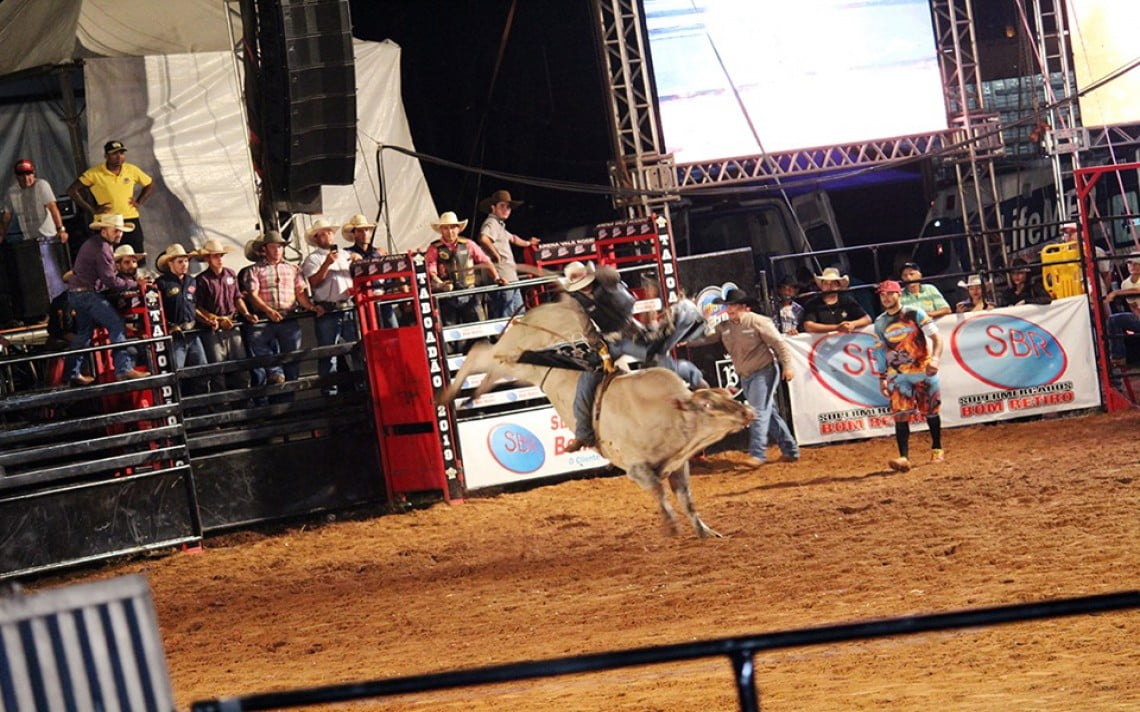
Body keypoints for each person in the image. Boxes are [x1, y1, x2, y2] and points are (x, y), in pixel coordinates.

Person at [561, 261, 670, 452]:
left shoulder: (605, 281)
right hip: (610, 340)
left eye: (585, 280)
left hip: (631, 331)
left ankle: (684, 392)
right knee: (586, 381)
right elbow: (587, 329)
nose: (584, 286)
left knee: (660, 357)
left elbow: (615, 278)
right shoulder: (575, 301)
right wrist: (602, 351)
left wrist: (600, 272)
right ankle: (583, 434)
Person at [682, 288, 798, 466]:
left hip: (764, 371)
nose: (729, 309)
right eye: (727, 306)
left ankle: (758, 454)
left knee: (757, 412)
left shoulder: (758, 321)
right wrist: (687, 342)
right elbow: (708, 338)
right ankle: (790, 449)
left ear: (744, 307)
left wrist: (787, 366)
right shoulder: (725, 326)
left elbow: (779, 343)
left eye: (733, 306)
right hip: (746, 375)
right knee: (768, 413)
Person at [64, 213, 150, 385]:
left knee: (84, 334)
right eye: (116, 230)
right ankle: (123, 369)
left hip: (76, 293)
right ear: (104, 230)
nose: (119, 234)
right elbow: (110, 280)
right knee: (116, 324)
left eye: (120, 231)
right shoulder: (103, 248)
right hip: (87, 294)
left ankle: (72, 374)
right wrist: (135, 284)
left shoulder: (93, 244)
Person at [872, 280, 944, 472]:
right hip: (898, 374)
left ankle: (937, 448)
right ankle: (904, 456)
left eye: (889, 293)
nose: (886, 298)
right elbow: (880, 351)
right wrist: (882, 377)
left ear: (899, 294)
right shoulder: (880, 322)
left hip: (922, 369)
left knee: (931, 410)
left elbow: (937, 337)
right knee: (900, 414)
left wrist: (935, 359)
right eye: (882, 295)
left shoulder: (915, 313)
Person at [244, 230, 323, 386]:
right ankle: (276, 373)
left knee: (291, 357)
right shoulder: (255, 270)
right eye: (273, 247)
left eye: (280, 246)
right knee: (259, 345)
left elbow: (300, 293)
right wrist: (268, 310)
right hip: (265, 317)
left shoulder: (293, 268)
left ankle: (286, 387)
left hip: (288, 316)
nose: (277, 250)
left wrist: (311, 307)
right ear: (265, 249)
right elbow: (253, 294)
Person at [303, 219, 361, 395]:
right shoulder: (313, 259)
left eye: (329, 232)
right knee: (328, 354)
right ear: (316, 238)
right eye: (322, 234)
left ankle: (362, 387)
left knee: (357, 350)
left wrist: (357, 260)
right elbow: (314, 283)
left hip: (347, 306)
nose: (327, 236)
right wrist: (327, 264)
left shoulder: (344, 254)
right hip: (327, 309)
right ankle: (330, 394)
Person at [67, 140, 154, 258]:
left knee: (135, 255)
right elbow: (72, 191)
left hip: (129, 218)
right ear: (106, 156)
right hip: (107, 221)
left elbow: (149, 184)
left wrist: (139, 202)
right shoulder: (94, 173)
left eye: (121, 153)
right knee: (109, 257)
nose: (119, 157)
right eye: (114, 153)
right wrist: (92, 209)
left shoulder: (131, 169)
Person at [0, 159, 69, 300]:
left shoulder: (41, 185)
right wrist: (1, 234)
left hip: (48, 236)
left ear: (34, 173)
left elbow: (53, 208)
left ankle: (61, 301)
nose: (26, 178)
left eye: (29, 174)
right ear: (16, 176)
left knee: (53, 272)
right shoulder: (12, 192)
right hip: (29, 239)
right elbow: (7, 215)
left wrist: (60, 229)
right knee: (35, 275)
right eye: (22, 175)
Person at [424, 211, 504, 327]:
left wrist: (496, 277)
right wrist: (441, 284)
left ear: (458, 229)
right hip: (446, 296)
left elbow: (485, 261)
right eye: (446, 228)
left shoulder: (468, 244)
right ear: (441, 230)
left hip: (469, 293)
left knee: (478, 327)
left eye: (453, 227)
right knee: (449, 329)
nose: (450, 231)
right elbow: (431, 271)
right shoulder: (434, 248)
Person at [194, 238, 252, 394]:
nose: (219, 259)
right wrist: (213, 319)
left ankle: (243, 399)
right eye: (215, 256)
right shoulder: (202, 280)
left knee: (240, 365)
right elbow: (198, 306)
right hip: (214, 326)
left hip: (231, 322)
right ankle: (222, 402)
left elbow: (237, 297)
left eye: (220, 255)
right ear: (208, 259)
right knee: (218, 369)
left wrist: (246, 313)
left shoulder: (230, 274)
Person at [476, 189, 541, 319]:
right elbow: (483, 238)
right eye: (502, 206)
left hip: (510, 277)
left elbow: (513, 238)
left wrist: (528, 243)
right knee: (506, 315)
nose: (506, 210)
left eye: (508, 207)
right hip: (503, 277)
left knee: (517, 313)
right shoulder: (492, 222)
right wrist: (496, 254)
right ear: (493, 208)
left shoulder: (499, 225)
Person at [155, 244, 208, 385]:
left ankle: (201, 397)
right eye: (180, 261)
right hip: (175, 335)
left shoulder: (192, 281)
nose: (184, 264)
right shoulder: (162, 283)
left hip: (192, 332)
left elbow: (194, 306)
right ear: (170, 263)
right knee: (176, 371)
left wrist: (206, 319)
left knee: (202, 369)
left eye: (186, 261)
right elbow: (156, 310)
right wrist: (170, 326)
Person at [342, 213, 397, 328]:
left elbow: (390, 272)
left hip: (382, 297)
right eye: (360, 231)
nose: (364, 233)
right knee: (369, 330)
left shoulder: (378, 251)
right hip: (362, 300)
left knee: (393, 328)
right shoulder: (348, 253)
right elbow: (356, 270)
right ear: (354, 234)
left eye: (367, 230)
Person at [801, 267, 871, 334]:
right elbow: (808, 326)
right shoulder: (813, 303)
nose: (829, 286)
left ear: (839, 286)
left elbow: (867, 319)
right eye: (826, 283)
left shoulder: (847, 300)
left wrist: (852, 324)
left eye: (833, 283)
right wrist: (837, 328)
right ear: (821, 286)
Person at [1104, 252, 1140, 368]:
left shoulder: (1124, 287)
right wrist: (1138, 315)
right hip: (1138, 315)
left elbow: (1137, 291)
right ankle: (1118, 357)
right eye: (1130, 264)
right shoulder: (1125, 283)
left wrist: (1116, 292)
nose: (1132, 266)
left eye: (1136, 264)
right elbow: (1133, 305)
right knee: (1113, 320)